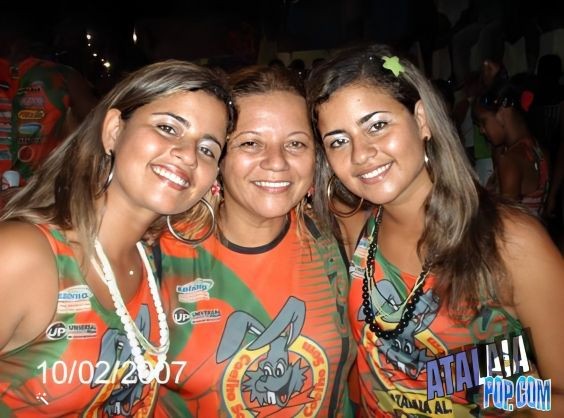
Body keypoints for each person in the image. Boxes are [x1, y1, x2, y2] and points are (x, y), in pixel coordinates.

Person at [307, 44, 564, 416]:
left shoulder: (510, 242)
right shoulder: (357, 229)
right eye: (338, 141)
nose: (360, 154)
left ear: (422, 119)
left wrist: (499, 391)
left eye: (377, 125)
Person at [0, 60, 234, 416]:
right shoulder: (23, 254)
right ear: (113, 131)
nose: (188, 155)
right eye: (168, 128)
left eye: (207, 149)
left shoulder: (155, 260)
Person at [156, 65, 355, 417]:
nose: (276, 162)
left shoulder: (342, 239)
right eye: (250, 143)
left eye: (295, 143)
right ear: (218, 157)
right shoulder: (160, 254)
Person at [0, 18, 97, 181]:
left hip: (41, 188)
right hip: (42, 187)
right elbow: (99, 124)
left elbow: (98, 123)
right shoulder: (63, 76)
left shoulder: (63, 76)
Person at [473, 80, 550, 216]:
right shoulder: (540, 150)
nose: (482, 130)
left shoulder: (511, 160)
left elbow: (506, 220)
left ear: (502, 112)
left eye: (483, 122)